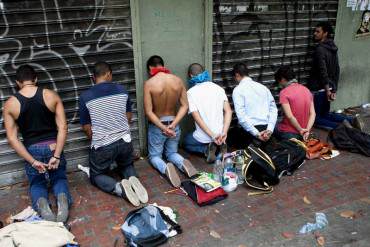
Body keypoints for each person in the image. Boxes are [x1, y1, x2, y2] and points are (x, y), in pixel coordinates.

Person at [3, 65, 71, 222]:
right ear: (36, 79)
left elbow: (12, 138)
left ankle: (43, 207)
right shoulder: (51, 95)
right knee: (59, 178)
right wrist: (57, 155)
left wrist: (32, 161)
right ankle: (63, 203)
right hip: (54, 146)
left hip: (32, 149)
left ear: (17, 82)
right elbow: (63, 126)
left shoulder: (10, 104)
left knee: (37, 184)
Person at [79, 61, 148, 207]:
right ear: (108, 74)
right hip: (125, 141)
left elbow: (86, 127)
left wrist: (96, 140)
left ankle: (120, 188)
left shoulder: (85, 97)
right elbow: (128, 117)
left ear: (93, 77)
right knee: (126, 164)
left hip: (103, 145)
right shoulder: (122, 90)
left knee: (96, 174)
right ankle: (133, 179)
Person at [144, 55, 197, 188]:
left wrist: (163, 127)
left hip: (158, 126)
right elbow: (185, 105)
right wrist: (173, 125)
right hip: (174, 124)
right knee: (172, 153)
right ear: (163, 65)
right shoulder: (178, 81)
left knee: (155, 156)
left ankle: (165, 168)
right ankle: (183, 162)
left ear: (150, 68)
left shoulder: (149, 84)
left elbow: (149, 112)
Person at [183, 63, 232, 163]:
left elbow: (197, 118)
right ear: (204, 73)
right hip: (221, 135)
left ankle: (206, 150)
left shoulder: (191, 93)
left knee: (186, 142)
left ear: (191, 76)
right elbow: (228, 111)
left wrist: (212, 136)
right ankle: (219, 148)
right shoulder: (218, 88)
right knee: (215, 139)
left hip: (206, 137)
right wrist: (224, 132)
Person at [309, 21, 351, 129]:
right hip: (329, 87)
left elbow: (323, 72)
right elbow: (337, 69)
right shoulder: (332, 47)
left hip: (320, 89)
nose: (315, 33)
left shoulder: (320, 49)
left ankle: (341, 128)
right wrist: (333, 89)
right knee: (326, 115)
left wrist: (328, 90)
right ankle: (352, 120)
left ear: (325, 33)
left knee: (317, 119)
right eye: (315, 31)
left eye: (318, 31)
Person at [231, 63, 278, 148]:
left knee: (232, 137)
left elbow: (241, 117)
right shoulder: (263, 87)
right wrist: (270, 130)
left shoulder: (238, 90)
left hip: (250, 132)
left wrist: (257, 134)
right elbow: (273, 109)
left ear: (237, 75)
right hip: (267, 129)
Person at [275, 66, 316, 141]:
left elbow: (290, 116)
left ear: (283, 79)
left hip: (289, 132)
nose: (279, 84)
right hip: (306, 133)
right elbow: (313, 114)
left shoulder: (284, 92)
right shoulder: (307, 90)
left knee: (272, 125)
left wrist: (300, 130)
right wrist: (307, 130)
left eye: (279, 81)